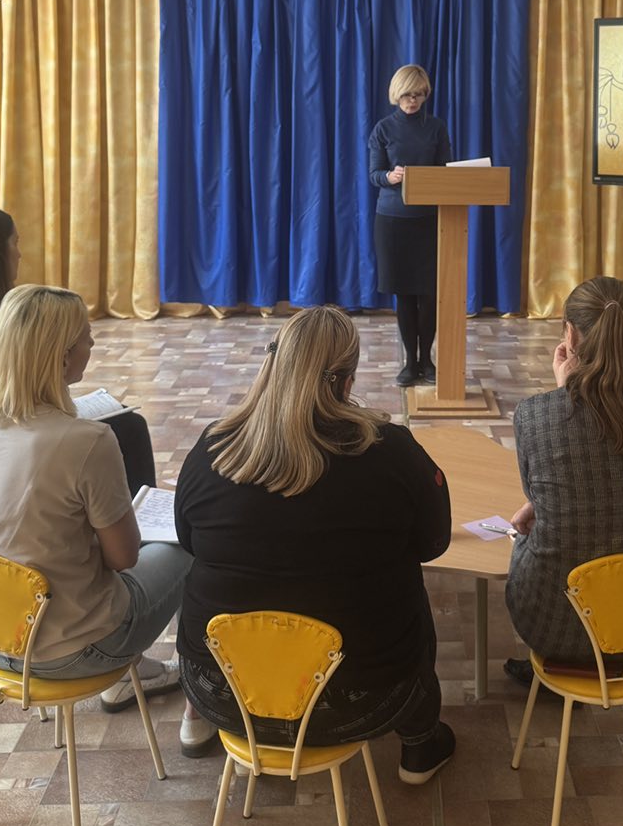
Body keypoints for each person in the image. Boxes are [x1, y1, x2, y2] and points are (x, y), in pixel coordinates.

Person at [172, 305, 456, 779]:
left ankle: (195, 722)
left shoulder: (211, 448)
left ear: (273, 363)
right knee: (406, 580)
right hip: (362, 703)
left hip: (223, 696)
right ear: (346, 380)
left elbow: (188, 542)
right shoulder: (392, 450)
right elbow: (433, 544)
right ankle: (419, 743)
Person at [0, 285, 187, 708]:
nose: (93, 343)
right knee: (189, 541)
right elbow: (123, 558)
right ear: (63, 357)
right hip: (79, 650)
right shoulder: (88, 441)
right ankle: (200, 696)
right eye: (87, 335)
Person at [505, 276, 623, 672]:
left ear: (569, 336)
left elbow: (545, 486)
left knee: (523, 537)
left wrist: (564, 393)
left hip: (554, 624)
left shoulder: (535, 415)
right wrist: (567, 395)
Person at [0, 206, 156, 491]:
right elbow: (6, 411)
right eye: (14, 243)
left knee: (120, 419)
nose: (19, 254)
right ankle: (138, 514)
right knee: (130, 428)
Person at [367, 65, 452, 387]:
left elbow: (446, 170)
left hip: (428, 221)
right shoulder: (383, 129)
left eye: (418, 95)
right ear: (396, 94)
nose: (412, 101)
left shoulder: (436, 128)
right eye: (406, 95)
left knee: (429, 295)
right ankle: (410, 362)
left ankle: (427, 360)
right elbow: (374, 174)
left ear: (425, 94)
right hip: (392, 222)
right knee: (404, 295)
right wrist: (389, 177)